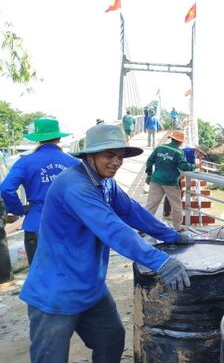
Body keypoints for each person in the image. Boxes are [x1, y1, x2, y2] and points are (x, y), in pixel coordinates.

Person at [19, 124, 193, 363]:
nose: (116, 162)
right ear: (90, 156)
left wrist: (171, 235)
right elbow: (113, 229)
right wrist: (161, 262)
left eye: (120, 157)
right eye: (109, 155)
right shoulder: (75, 186)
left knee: (111, 339)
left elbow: (132, 211)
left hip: (91, 287)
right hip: (55, 292)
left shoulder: (106, 183)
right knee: (50, 358)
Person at [0, 118, 79, 265]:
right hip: (68, 224)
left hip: (36, 223)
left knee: (39, 277)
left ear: (37, 139)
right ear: (59, 137)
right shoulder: (73, 162)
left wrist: (19, 209)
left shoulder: (25, 162)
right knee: (68, 273)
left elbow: (5, 189)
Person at [145, 130, 195, 231]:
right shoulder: (179, 152)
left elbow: (150, 161)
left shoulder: (160, 148)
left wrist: (149, 174)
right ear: (180, 142)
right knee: (176, 205)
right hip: (170, 183)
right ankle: (177, 227)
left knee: (151, 205)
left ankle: (143, 227)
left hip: (156, 180)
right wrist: (194, 166)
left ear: (171, 138)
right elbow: (183, 166)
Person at [163, 145, 209, 217]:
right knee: (171, 192)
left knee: (177, 192)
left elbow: (191, 167)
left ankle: (170, 211)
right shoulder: (188, 153)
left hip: (176, 173)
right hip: (173, 172)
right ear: (200, 152)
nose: (202, 157)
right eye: (203, 155)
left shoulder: (192, 154)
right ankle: (167, 213)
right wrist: (196, 166)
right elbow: (185, 166)